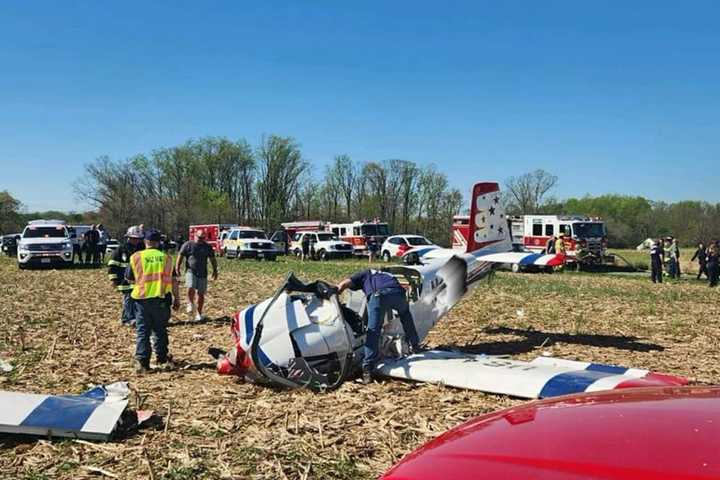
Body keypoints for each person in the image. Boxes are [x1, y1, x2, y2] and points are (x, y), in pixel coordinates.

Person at [337, 269, 421, 384]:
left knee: (373, 331)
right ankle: (415, 345)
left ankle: (367, 369)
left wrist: (335, 294)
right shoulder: (385, 274)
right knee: (406, 315)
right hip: (398, 293)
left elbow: (344, 284)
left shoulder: (364, 273)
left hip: (379, 296)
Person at [126, 229, 179, 373]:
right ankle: (162, 358)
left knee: (143, 331)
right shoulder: (166, 258)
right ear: (158, 242)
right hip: (161, 299)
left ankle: (142, 363)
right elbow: (174, 281)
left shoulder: (136, 257)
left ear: (145, 241)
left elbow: (129, 278)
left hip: (141, 299)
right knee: (160, 330)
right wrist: (177, 299)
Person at [176, 229, 218, 321]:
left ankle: (199, 313)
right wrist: (177, 267)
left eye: (203, 238)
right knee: (190, 286)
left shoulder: (207, 247)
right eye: (199, 237)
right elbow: (180, 255)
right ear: (195, 235)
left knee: (201, 294)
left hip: (203, 272)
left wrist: (215, 270)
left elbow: (212, 259)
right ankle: (190, 303)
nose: (201, 239)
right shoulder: (188, 245)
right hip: (191, 270)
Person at [108, 225, 145, 326]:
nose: (136, 241)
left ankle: (129, 318)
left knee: (136, 300)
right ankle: (128, 319)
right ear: (128, 237)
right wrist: (113, 279)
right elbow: (112, 264)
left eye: (138, 239)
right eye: (133, 238)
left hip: (139, 279)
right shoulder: (121, 249)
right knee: (128, 299)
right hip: (124, 280)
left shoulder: (142, 248)